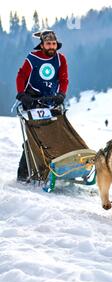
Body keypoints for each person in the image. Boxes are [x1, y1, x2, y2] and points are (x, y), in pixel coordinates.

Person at [15, 30, 69, 182]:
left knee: (53, 135)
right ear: (42, 45)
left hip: (50, 101)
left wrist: (61, 94)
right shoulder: (33, 58)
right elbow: (21, 76)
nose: (51, 47)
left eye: (53, 44)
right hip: (32, 100)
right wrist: (21, 94)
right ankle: (24, 172)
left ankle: (52, 169)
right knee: (34, 137)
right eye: (48, 44)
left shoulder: (60, 59)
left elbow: (64, 79)